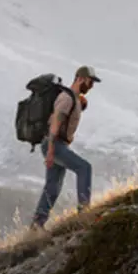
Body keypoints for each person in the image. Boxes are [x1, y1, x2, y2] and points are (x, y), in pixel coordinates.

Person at [31, 66, 99, 229]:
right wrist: (51, 151)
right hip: (54, 144)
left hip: (56, 144)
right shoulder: (66, 98)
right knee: (84, 168)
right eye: (90, 82)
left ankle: (36, 226)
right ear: (80, 79)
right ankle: (84, 213)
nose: (91, 86)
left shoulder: (74, 98)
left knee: (53, 187)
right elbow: (56, 121)